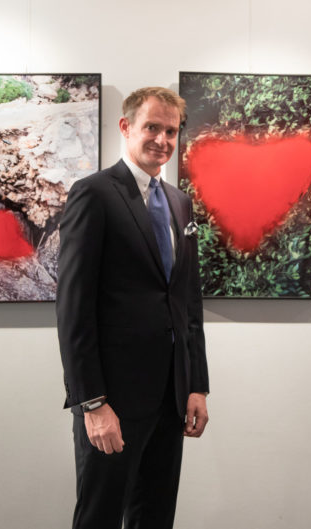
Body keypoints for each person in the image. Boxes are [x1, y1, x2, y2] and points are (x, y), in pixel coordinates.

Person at [57, 86, 209, 529]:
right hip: (113, 403)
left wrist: (196, 384)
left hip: (170, 399)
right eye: (152, 127)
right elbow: (73, 310)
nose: (162, 139)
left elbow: (188, 305)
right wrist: (92, 403)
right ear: (126, 127)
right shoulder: (94, 194)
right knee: (100, 518)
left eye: (171, 131)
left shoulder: (180, 204)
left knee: (155, 518)